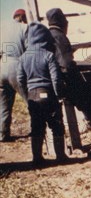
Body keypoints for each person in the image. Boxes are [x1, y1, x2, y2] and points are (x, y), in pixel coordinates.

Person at [17, 22, 68, 166]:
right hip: (49, 94)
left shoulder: (23, 58)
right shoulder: (49, 55)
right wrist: (58, 95)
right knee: (56, 125)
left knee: (37, 127)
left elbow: (20, 80)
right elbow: (56, 78)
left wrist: (27, 96)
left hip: (33, 95)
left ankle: (37, 158)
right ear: (45, 37)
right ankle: (60, 156)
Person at [46, 8, 91, 131]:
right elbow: (66, 65)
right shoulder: (60, 37)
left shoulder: (47, 35)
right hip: (63, 81)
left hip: (50, 80)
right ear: (63, 23)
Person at [0, 9, 28, 142]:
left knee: (3, 104)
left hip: (2, 65)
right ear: (22, 17)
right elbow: (29, 50)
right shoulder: (24, 27)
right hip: (16, 65)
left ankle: (2, 134)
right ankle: (39, 130)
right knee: (30, 100)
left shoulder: (3, 28)